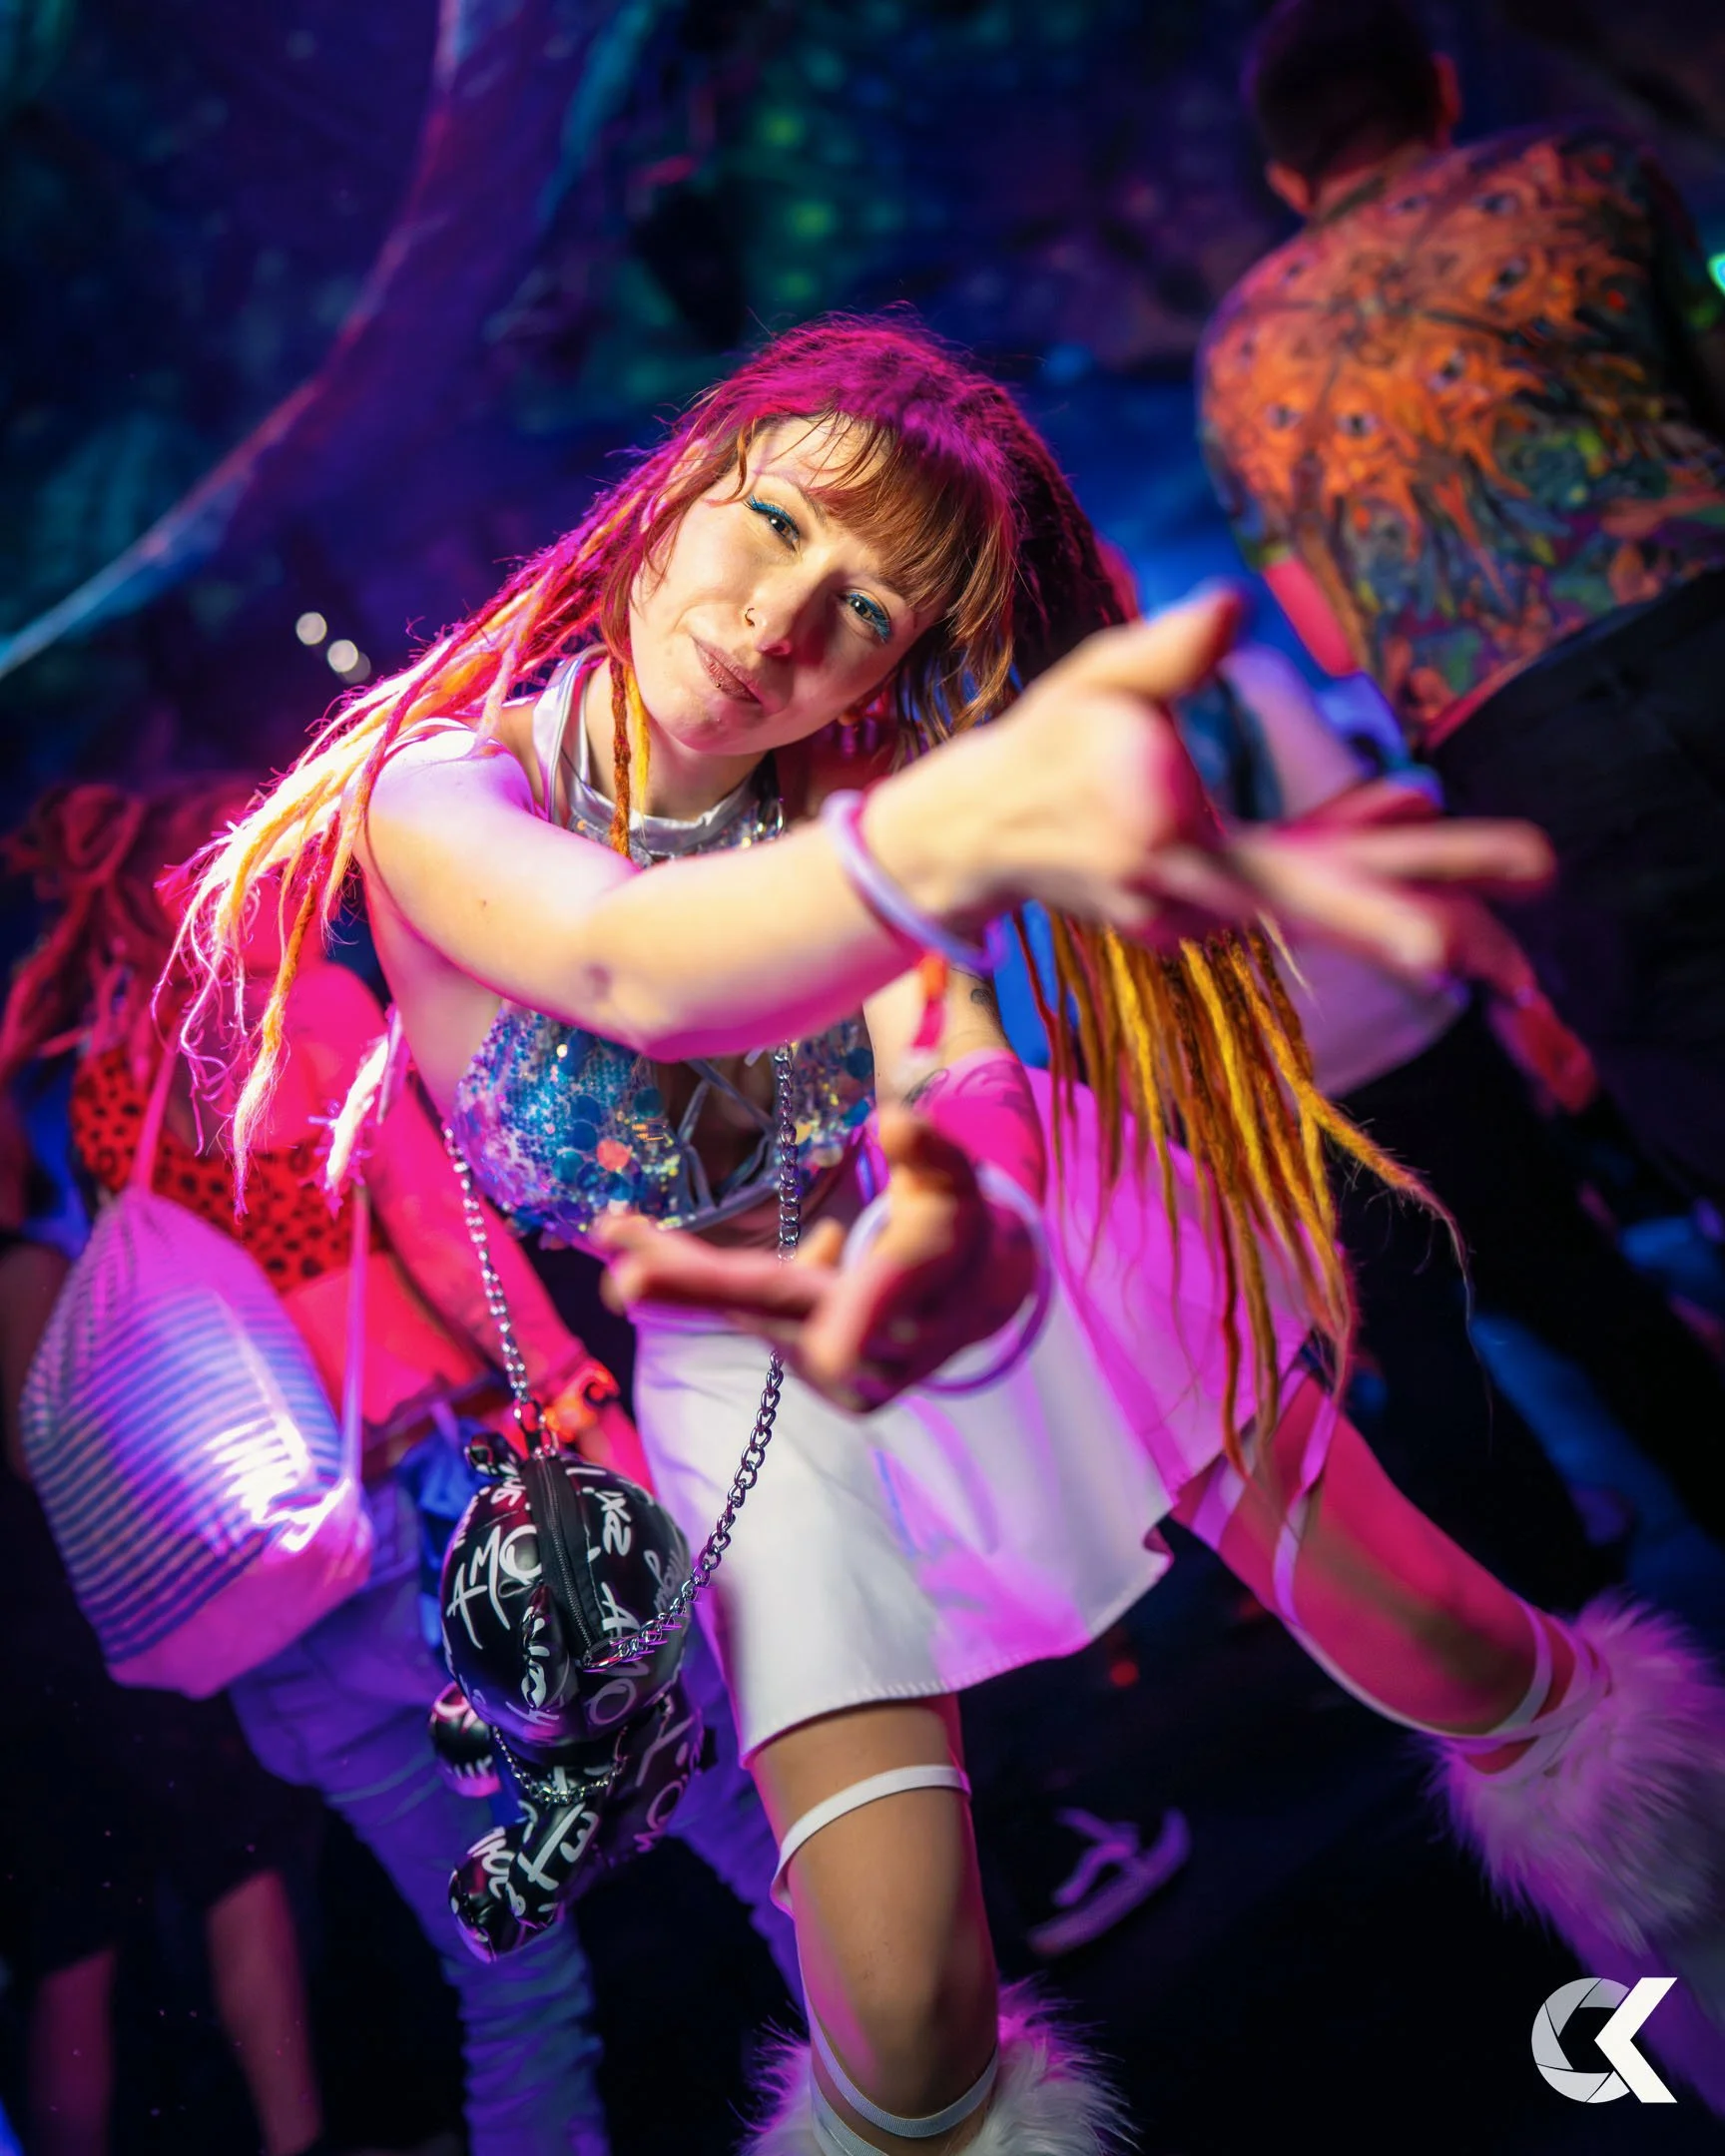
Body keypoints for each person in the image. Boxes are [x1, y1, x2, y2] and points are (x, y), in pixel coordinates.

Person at [177, 316, 1725, 2147]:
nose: (780, 623)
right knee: (903, 2023)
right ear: (673, 493)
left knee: (1457, 1656)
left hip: (1015, 1247)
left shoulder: (841, 777)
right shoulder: (446, 794)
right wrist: (954, 841)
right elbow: (630, 964)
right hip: (752, 1384)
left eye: (866, 612)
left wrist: (962, 1179)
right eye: (772, 528)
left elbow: (944, 1045)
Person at [0, 777, 798, 2156]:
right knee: (747, 1824)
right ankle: (936, 2110)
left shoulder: (107, 1098)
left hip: (288, 1597)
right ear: (208, 876)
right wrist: (576, 1394)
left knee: (510, 1986)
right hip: (443, 1518)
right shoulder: (299, 1015)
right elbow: (436, 1238)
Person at [1199, 0, 1725, 1213]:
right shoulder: (1583, 168)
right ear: (1439, 91)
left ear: (1287, 177)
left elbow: (1331, 635)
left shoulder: (1236, 353)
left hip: (1534, 761)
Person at [1181, 640, 1725, 1586]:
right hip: (1394, 1030)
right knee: (1574, 1291)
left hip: (1283, 1086)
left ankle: (1577, 1647)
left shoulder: (1031, 761)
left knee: (1427, 1347)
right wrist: (1508, 974)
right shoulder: (1236, 680)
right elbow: (1380, 842)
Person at [0, 1093, 327, 2156]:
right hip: (87, 1630)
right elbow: (44, 1456)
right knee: (236, 1860)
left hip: (20, 1662)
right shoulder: (23, 1273)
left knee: (70, 1940)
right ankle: (297, 2140)